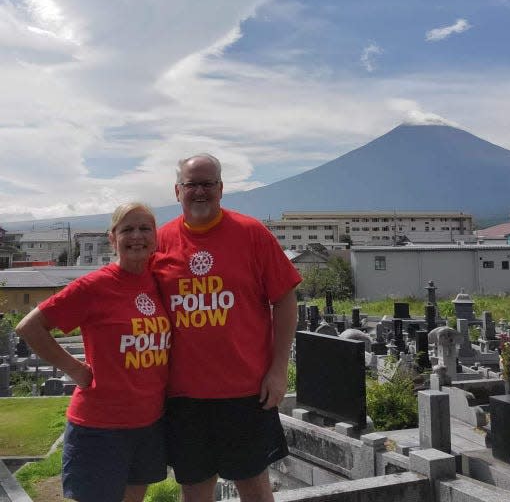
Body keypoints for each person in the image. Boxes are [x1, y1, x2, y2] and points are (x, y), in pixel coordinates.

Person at [153, 154, 302, 502]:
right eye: (192, 184)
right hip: (183, 395)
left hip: (246, 391)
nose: (200, 191)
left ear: (221, 188)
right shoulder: (159, 243)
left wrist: (279, 370)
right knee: (195, 491)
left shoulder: (252, 234)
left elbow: (284, 299)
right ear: (178, 191)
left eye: (208, 183)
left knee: (254, 487)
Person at [16, 203, 171, 502]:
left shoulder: (159, 282)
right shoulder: (94, 286)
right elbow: (29, 327)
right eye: (127, 229)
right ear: (112, 239)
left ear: (155, 237)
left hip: (149, 423)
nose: (136, 236)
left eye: (144, 228)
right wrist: (75, 369)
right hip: (100, 427)